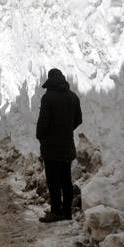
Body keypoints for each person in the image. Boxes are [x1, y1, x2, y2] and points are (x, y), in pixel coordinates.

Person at [36, 68, 83, 223]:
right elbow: (78, 119)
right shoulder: (73, 97)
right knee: (66, 180)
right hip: (67, 146)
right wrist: (67, 129)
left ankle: (56, 211)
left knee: (53, 181)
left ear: (50, 80)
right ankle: (67, 212)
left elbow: (43, 122)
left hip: (51, 147)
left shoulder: (48, 98)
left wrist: (41, 136)